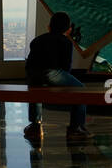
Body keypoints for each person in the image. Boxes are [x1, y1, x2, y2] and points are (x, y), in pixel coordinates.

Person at [23, 11, 90, 142]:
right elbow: (65, 68)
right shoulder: (65, 42)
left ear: (49, 26)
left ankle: (35, 126)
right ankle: (76, 128)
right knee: (82, 91)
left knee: (35, 91)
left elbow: (30, 61)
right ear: (69, 29)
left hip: (32, 74)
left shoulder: (37, 40)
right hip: (52, 73)